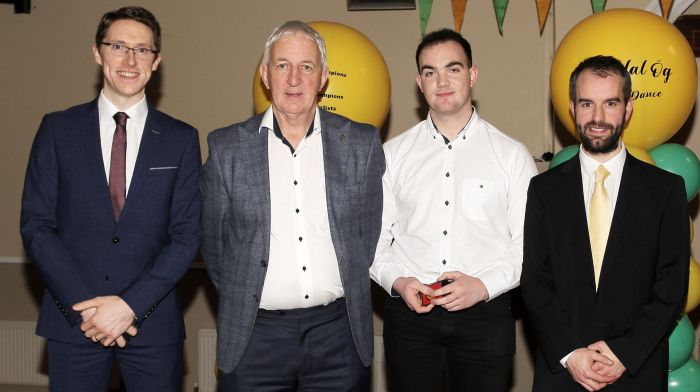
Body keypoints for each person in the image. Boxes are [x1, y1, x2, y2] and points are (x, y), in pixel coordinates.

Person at [20, 6, 201, 391]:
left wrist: (128, 306)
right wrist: (90, 309)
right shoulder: (57, 130)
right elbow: (37, 226)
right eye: (118, 46)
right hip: (74, 323)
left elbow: (187, 236)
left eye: (142, 49)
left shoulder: (181, 138)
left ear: (156, 61)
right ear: (97, 52)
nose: (130, 59)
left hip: (152, 326)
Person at [200, 20, 384, 391]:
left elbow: (367, 238)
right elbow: (215, 248)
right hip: (255, 339)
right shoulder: (226, 149)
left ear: (324, 77)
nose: (294, 79)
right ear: (266, 75)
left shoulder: (361, 144)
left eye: (307, 66)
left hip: (339, 336)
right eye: (283, 65)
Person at [370, 28, 537, 391]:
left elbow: (529, 246)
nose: (441, 81)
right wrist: (398, 282)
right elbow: (374, 242)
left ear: (472, 75)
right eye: (430, 72)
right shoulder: (392, 155)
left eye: (453, 69)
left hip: (485, 317)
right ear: (419, 82)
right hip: (409, 318)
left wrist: (481, 286)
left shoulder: (512, 155)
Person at [520, 55, 689, 392]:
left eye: (610, 103)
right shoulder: (543, 190)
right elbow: (534, 281)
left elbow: (671, 289)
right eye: (587, 104)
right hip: (562, 371)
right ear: (572, 108)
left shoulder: (666, 190)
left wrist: (623, 352)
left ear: (627, 108)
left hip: (635, 371)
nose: (597, 117)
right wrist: (570, 353)